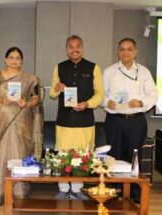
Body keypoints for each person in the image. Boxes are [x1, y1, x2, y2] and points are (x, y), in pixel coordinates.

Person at [0, 47, 44, 206]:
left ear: (21, 60)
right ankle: (1, 192)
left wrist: (27, 103)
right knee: (3, 154)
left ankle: (19, 191)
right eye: (11, 57)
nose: (14, 61)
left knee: (20, 153)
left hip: (22, 120)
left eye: (17, 58)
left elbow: (37, 99)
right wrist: (0, 101)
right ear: (5, 59)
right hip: (2, 119)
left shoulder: (30, 78)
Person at [49, 35, 104, 200]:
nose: (74, 49)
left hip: (85, 121)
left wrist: (88, 103)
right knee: (63, 156)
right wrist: (57, 88)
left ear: (82, 48)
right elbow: (52, 93)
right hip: (64, 121)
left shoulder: (93, 67)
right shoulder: (59, 67)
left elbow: (100, 94)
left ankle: (78, 188)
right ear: (66, 49)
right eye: (71, 46)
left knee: (83, 156)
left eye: (78, 46)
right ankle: (63, 188)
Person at [103, 38, 158, 202]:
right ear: (118, 52)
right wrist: (107, 103)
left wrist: (142, 103)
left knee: (135, 156)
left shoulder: (143, 72)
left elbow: (153, 94)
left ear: (135, 52)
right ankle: (115, 191)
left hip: (136, 120)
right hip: (114, 120)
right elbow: (101, 95)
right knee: (114, 155)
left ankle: (134, 192)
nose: (125, 52)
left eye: (129, 49)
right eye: (122, 49)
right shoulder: (109, 71)